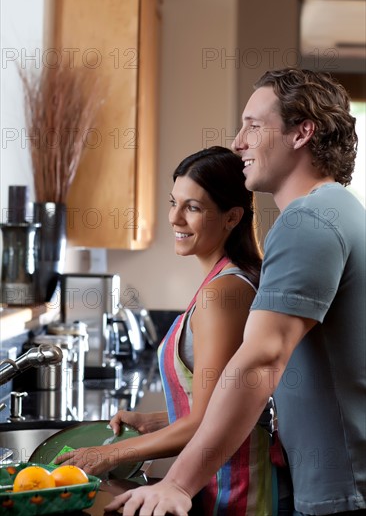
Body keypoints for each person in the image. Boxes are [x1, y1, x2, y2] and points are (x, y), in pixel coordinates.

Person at [105, 68, 366, 516]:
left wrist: (179, 485)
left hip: (341, 494)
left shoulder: (308, 221)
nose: (238, 141)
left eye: (254, 125)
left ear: (302, 133)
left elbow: (261, 361)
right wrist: (160, 424)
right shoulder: (336, 210)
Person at [56, 146, 282, 514]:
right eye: (173, 202)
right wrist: (154, 421)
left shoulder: (223, 294)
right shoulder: (229, 281)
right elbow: (225, 399)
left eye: (192, 208)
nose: (175, 218)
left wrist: (107, 454)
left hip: (237, 487)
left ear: (232, 217)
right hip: (219, 479)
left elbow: (209, 423)